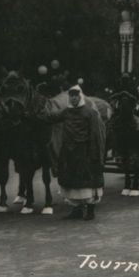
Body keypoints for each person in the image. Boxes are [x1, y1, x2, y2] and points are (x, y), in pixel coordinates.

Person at [41, 85, 106, 220]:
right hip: (70, 152)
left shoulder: (90, 113)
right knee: (72, 181)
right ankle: (76, 209)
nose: (74, 98)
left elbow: (95, 134)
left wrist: (94, 154)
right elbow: (50, 117)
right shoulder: (66, 112)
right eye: (71, 96)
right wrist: (38, 109)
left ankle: (90, 210)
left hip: (85, 152)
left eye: (76, 95)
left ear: (80, 96)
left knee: (88, 181)